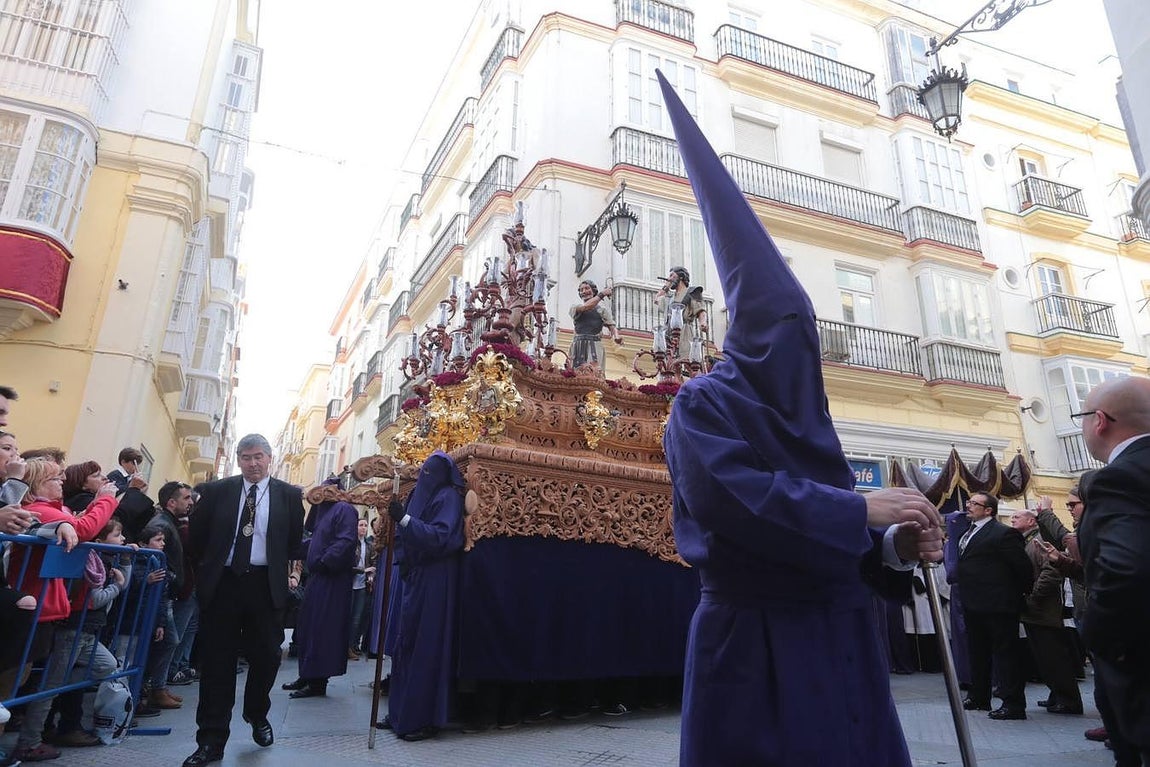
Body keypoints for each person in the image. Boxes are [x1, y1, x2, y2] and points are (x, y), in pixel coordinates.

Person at [655, 71, 943, 767]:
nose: (796, 349)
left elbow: (840, 521)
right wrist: (862, 511)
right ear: (749, 334)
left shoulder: (808, 416)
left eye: (804, 335)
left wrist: (892, 546)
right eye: (783, 331)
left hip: (842, 642)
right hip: (754, 646)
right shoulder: (700, 406)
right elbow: (739, 501)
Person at [182, 434, 305, 767]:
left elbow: (294, 541)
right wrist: (209, 572)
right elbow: (198, 538)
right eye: (247, 457)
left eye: (259, 457)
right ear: (238, 459)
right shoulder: (216, 491)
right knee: (217, 663)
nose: (253, 463)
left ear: (270, 458)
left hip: (266, 586)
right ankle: (210, 740)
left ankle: (256, 712)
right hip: (224, 584)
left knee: (266, 657)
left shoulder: (290, 496)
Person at [1076, 377, 1150, 763]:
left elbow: (1128, 569)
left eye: (1082, 417)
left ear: (1100, 420)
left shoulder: (1118, 478)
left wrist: (1097, 637)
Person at [386, 451, 466, 742]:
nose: (425, 477)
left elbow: (441, 537)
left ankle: (424, 717)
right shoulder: (421, 496)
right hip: (416, 577)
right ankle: (400, 712)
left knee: (427, 647)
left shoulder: (448, 498)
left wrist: (405, 520)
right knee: (405, 643)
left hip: (436, 580)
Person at [955, 493, 1033, 720]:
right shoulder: (967, 533)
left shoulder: (1003, 533)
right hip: (973, 603)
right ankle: (979, 695)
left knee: (1006, 655)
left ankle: (1013, 703)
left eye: (973, 504)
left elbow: (1023, 568)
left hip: (999, 605)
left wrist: (1012, 595)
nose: (968, 506)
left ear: (988, 510)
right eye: (968, 502)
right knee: (977, 652)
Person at [280, 479, 359, 699]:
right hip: (319, 578)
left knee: (323, 629)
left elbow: (345, 541)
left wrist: (325, 561)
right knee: (308, 627)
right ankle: (306, 674)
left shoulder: (343, 509)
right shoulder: (327, 513)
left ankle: (317, 681)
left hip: (331, 579)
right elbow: (315, 542)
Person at [1011, 509, 1082, 715]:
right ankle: (1057, 694)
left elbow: (1051, 572)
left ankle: (1069, 700)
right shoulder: (1027, 541)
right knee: (1044, 658)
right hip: (1036, 610)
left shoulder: (1038, 540)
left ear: (1031, 520)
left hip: (1044, 609)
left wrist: (1032, 597)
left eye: (1017, 517)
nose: (1013, 519)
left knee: (1054, 657)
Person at [568, 280, 623, 369]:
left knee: (593, 372)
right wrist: (602, 294)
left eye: (587, 288)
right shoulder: (574, 308)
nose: (584, 291)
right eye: (581, 290)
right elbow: (586, 307)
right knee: (575, 372)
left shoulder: (602, 310)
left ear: (593, 290)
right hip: (578, 345)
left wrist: (616, 337)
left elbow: (612, 326)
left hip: (594, 345)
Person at [654, 266, 707, 358]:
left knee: (684, 358)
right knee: (669, 362)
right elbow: (656, 299)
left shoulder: (692, 292)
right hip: (668, 335)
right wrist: (667, 286)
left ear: (681, 277)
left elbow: (700, 310)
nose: (669, 278)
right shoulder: (670, 298)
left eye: (672, 276)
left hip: (684, 332)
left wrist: (703, 322)